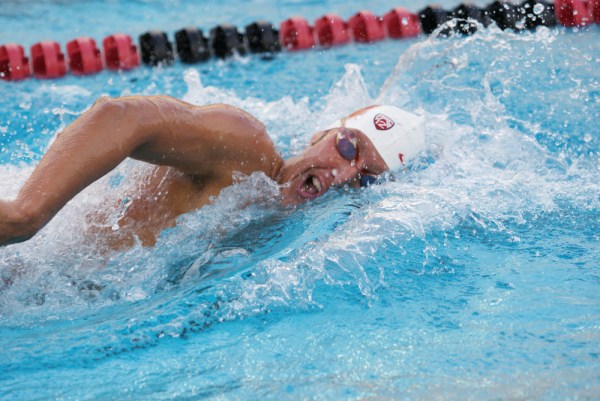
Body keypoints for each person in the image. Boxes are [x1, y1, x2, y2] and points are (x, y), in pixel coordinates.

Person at [0, 96, 424, 248]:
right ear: (323, 132)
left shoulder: (280, 231)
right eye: (349, 147)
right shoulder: (246, 149)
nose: (345, 175)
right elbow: (120, 116)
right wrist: (26, 214)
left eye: (365, 177)